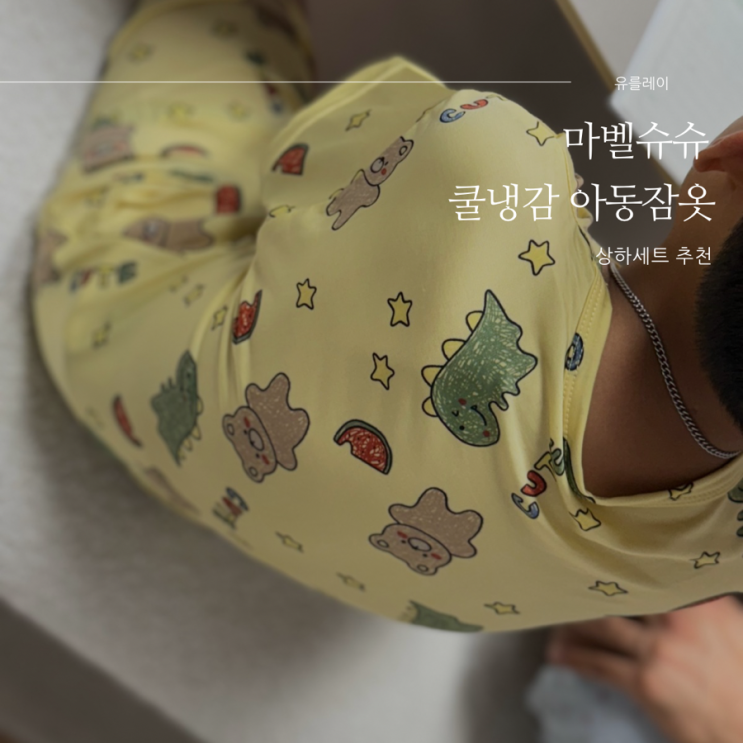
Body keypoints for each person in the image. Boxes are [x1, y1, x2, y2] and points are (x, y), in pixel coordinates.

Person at [29, 0, 743, 636]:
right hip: (324, 534)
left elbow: (296, 172)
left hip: (116, 324)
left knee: (221, 27)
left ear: (730, 153)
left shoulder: (492, 165)